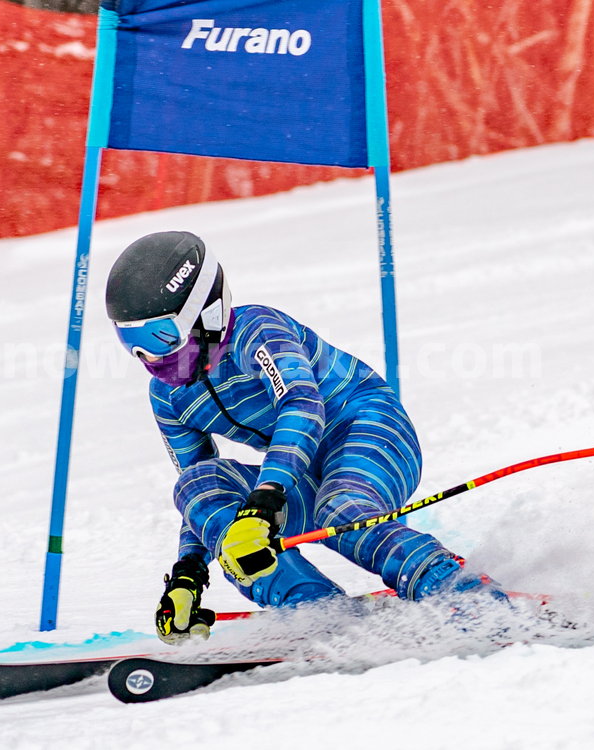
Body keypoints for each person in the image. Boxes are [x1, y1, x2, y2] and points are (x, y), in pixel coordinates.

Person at [105, 228, 508, 640]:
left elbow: (301, 406)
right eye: (131, 341)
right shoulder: (168, 397)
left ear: (205, 314)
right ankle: (314, 611)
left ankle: (460, 592)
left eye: (159, 336)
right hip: (297, 473)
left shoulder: (256, 330)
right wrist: (187, 573)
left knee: (341, 509)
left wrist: (264, 502)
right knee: (195, 484)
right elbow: (200, 494)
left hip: (369, 430)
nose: (150, 358)